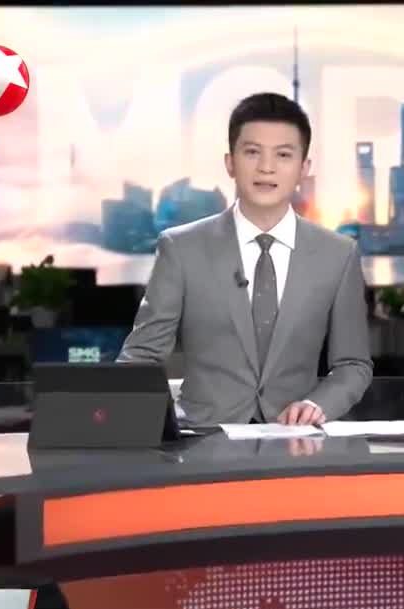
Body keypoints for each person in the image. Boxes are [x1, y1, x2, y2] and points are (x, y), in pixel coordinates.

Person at [119, 92, 372, 426]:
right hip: (203, 439)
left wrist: (317, 405)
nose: (266, 167)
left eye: (283, 154)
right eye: (252, 152)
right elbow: (143, 356)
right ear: (230, 162)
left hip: (296, 441)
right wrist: (128, 425)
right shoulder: (181, 248)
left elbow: (353, 364)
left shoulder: (338, 254)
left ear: (303, 168)